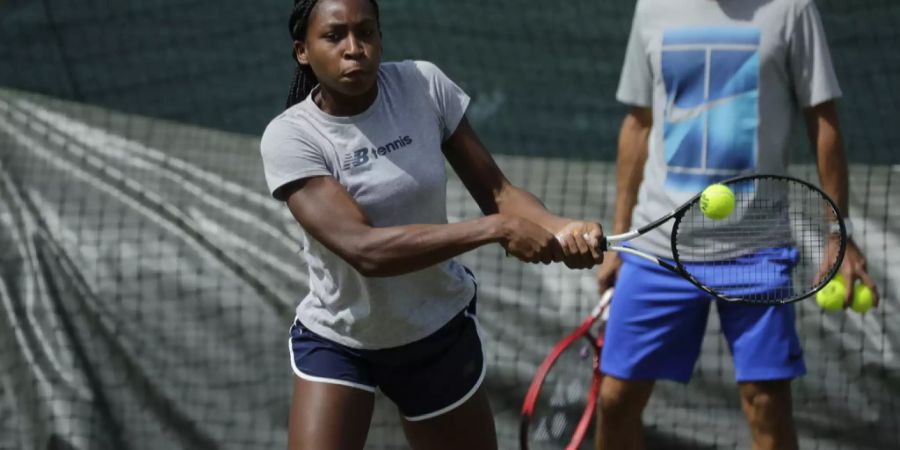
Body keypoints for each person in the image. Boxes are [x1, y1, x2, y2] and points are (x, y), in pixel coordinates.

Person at [259, 1, 604, 449]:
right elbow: (366, 250)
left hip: (434, 333)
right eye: (335, 36)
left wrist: (563, 227)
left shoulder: (422, 84)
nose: (354, 49)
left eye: (366, 33)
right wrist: (493, 230)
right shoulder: (291, 137)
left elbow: (499, 193)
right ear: (302, 50)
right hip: (340, 339)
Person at [594, 1, 880, 449]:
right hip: (657, 248)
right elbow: (639, 124)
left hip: (757, 247)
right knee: (615, 399)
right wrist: (618, 237)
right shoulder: (653, 8)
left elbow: (824, 123)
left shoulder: (792, 9)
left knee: (765, 403)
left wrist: (838, 234)